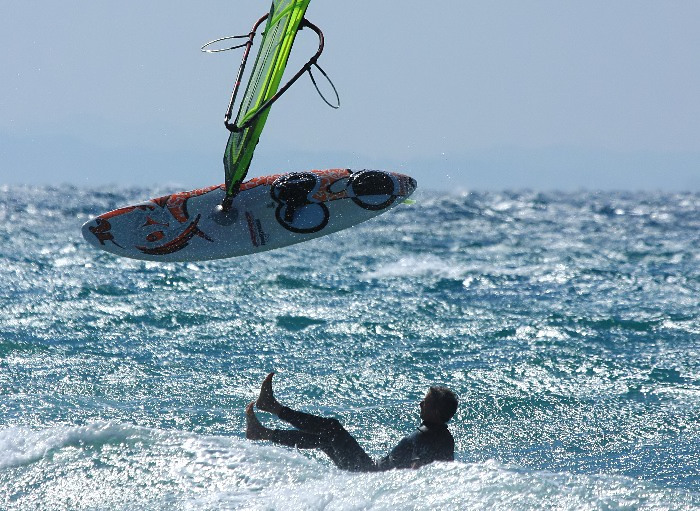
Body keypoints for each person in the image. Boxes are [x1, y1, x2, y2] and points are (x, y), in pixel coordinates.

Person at [245, 372, 458, 472]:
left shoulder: (431, 435)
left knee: (331, 433)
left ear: (437, 411)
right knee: (330, 431)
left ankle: (265, 426)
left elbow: (437, 467)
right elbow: (442, 466)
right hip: (373, 470)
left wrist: (416, 471)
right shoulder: (440, 434)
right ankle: (270, 413)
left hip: (369, 472)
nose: (420, 403)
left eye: (426, 402)